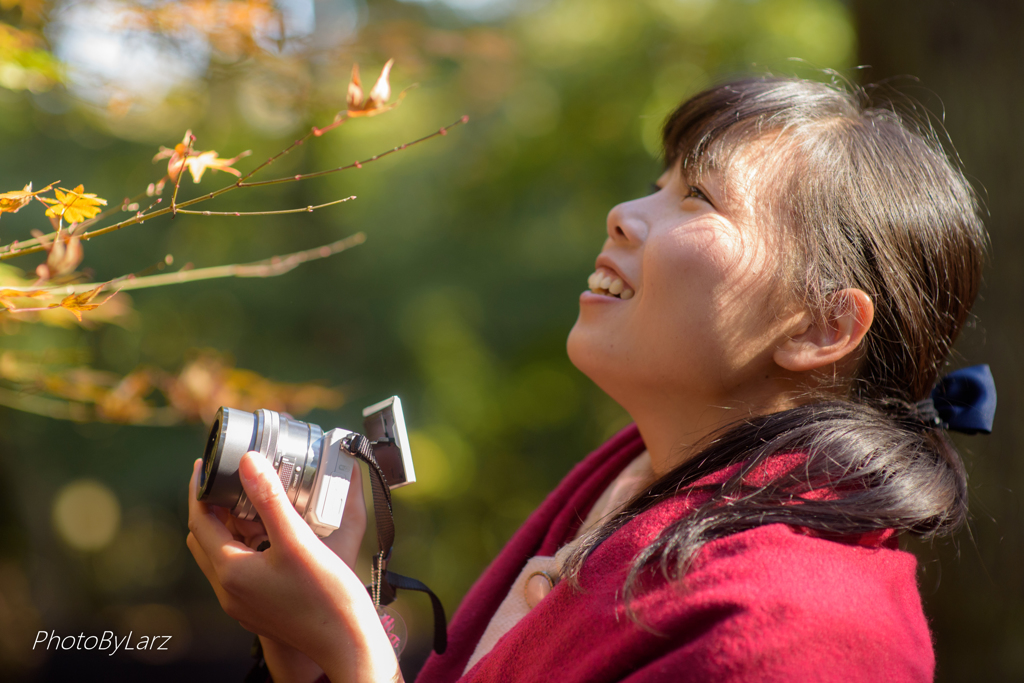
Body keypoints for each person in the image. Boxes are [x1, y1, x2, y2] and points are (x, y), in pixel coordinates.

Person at [186, 75, 993, 683]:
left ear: (822, 326)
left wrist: (354, 650)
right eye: (657, 184)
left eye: (700, 197)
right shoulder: (632, 485)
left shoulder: (808, 632)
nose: (623, 213)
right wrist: (310, 652)